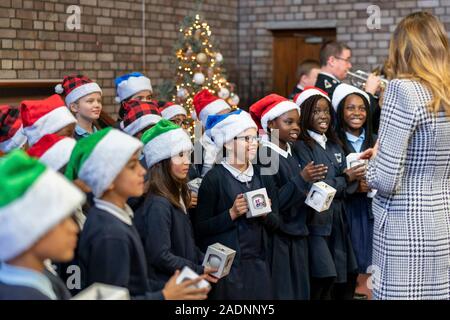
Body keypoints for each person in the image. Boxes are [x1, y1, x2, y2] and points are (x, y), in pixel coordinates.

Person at [361, 11, 450, 300]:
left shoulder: (403, 90)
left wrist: (373, 162)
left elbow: (385, 179)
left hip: (405, 223)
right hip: (442, 216)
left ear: (402, 49)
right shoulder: (445, 91)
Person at [66, 128, 210, 300]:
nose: (142, 171)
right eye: (132, 166)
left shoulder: (119, 218)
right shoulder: (110, 233)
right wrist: (164, 295)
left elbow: (136, 283)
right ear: (109, 179)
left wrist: (172, 288)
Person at [194, 109, 279, 299]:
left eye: (255, 138)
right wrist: (230, 214)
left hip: (259, 264)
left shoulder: (262, 175)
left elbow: (277, 223)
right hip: (229, 269)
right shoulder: (214, 179)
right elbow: (199, 228)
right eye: (246, 139)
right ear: (228, 144)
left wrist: (266, 215)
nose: (253, 144)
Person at [250, 94, 327, 299]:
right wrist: (301, 179)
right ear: (270, 124)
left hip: (298, 233)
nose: (296, 128)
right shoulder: (265, 155)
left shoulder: (290, 151)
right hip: (279, 238)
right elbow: (273, 203)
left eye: (298, 123)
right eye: (288, 122)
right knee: (283, 292)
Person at [293, 88, 364, 300]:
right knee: (323, 280)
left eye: (326, 111)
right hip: (316, 225)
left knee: (345, 280)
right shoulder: (301, 146)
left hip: (339, 224)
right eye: (316, 111)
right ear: (305, 114)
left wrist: (348, 180)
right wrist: (346, 179)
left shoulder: (334, 144)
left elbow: (342, 184)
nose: (323, 116)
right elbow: (317, 188)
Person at [135, 119, 217, 290]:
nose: (187, 161)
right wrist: (198, 269)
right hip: (168, 285)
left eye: (188, 154)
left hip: (184, 281)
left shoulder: (176, 196)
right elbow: (160, 255)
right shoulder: (159, 203)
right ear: (161, 162)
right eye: (180, 155)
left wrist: (204, 260)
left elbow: (184, 243)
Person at [0, 150, 86, 300]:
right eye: (60, 221)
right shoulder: (22, 295)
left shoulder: (40, 275)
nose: (73, 228)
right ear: (29, 228)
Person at [332, 83, 376, 299]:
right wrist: (353, 187)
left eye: (362, 108)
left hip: (371, 212)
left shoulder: (376, 141)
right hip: (345, 213)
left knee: (371, 267)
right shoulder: (333, 143)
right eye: (350, 108)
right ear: (341, 111)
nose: (357, 113)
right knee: (348, 268)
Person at [55, 75, 102, 140]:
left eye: (99, 101)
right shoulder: (68, 138)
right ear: (74, 107)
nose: (97, 105)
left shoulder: (102, 134)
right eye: (90, 101)